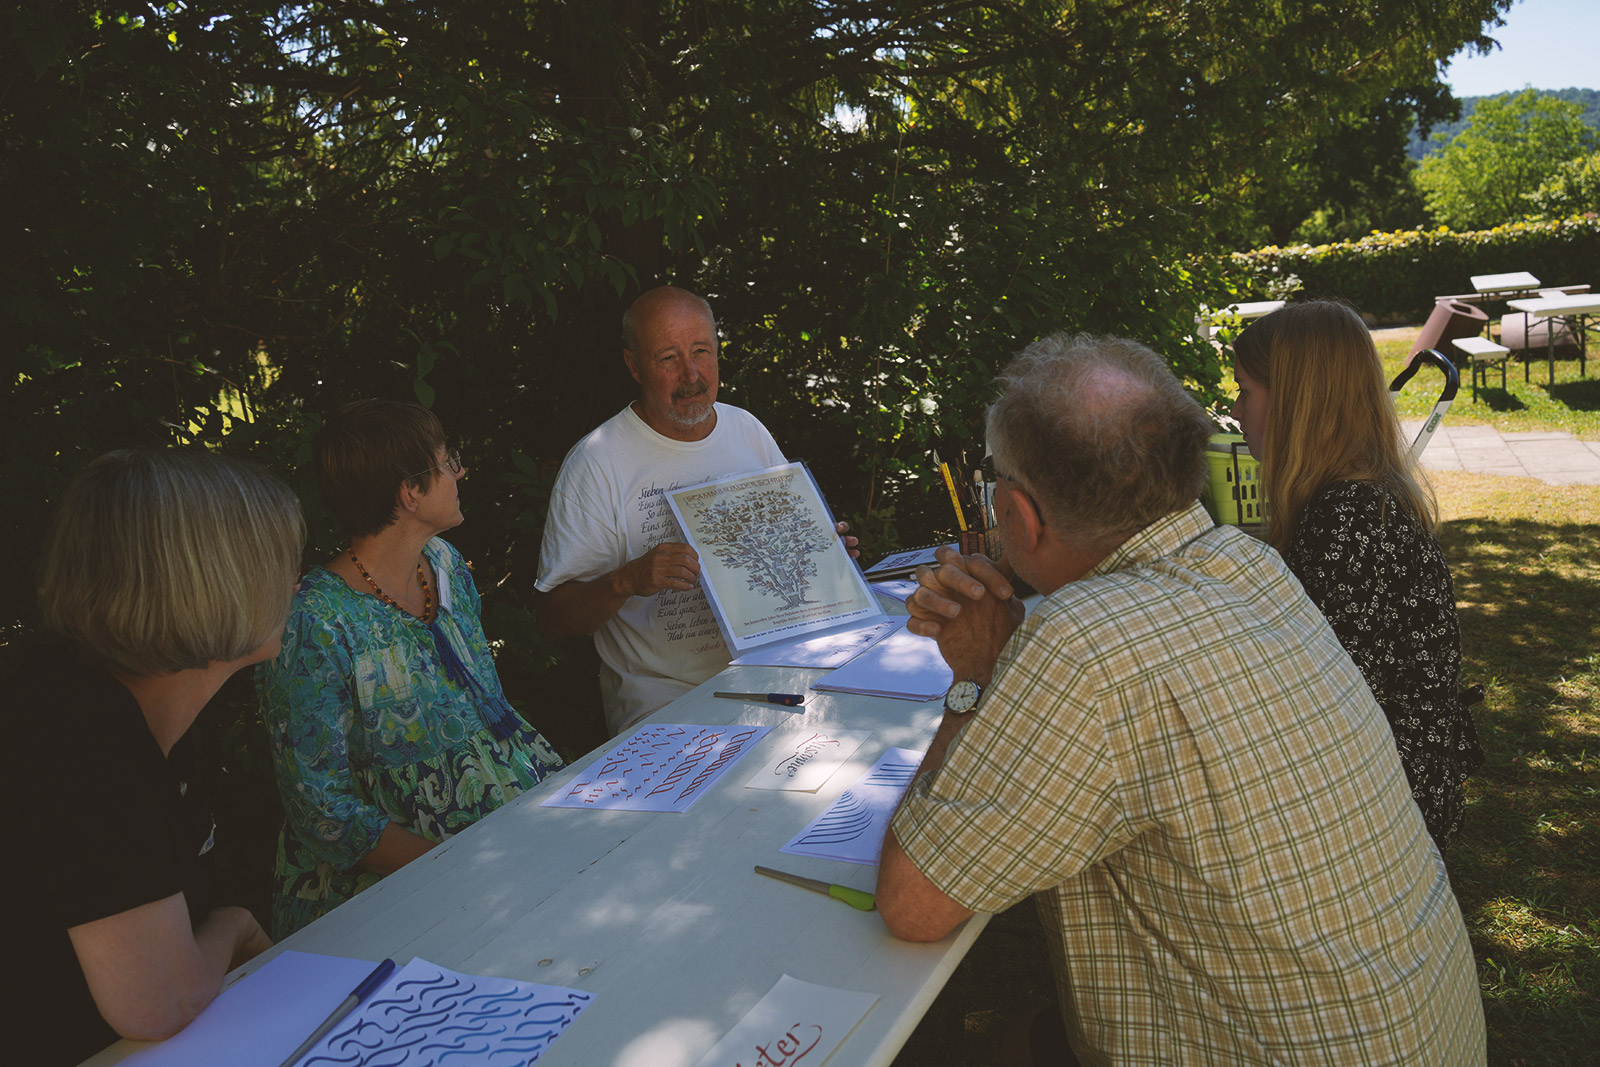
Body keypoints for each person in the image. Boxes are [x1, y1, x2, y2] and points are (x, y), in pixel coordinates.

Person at [879, 334, 1484, 1065]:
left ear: (1019, 511)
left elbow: (915, 904)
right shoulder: (1247, 562)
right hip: (1423, 1031)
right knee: (1028, 1036)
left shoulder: (1084, 641)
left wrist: (976, 679)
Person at [15, 449, 303, 1066]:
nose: (296, 584)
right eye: (279, 563)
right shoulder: (77, 736)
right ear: (215, 585)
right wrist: (233, 923)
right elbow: (160, 1002)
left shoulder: (107, 709)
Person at [259, 400, 564, 937]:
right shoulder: (315, 622)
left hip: (504, 849)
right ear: (410, 492)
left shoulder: (443, 562)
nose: (460, 472)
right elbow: (320, 808)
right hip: (391, 896)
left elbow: (487, 711)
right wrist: (459, 870)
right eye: (448, 462)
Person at [535, 286, 855, 735]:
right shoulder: (596, 461)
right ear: (634, 365)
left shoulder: (747, 430)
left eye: (701, 351)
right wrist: (626, 580)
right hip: (667, 703)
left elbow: (794, 565)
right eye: (668, 358)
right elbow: (552, 619)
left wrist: (826, 557)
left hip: (773, 676)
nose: (691, 374)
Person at [1232, 300, 1482, 849]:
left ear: (1295, 402)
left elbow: (1321, 702)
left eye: (1245, 391)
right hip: (1392, 778)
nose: (1235, 408)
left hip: (1387, 802)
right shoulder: (1358, 497)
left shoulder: (1346, 521)